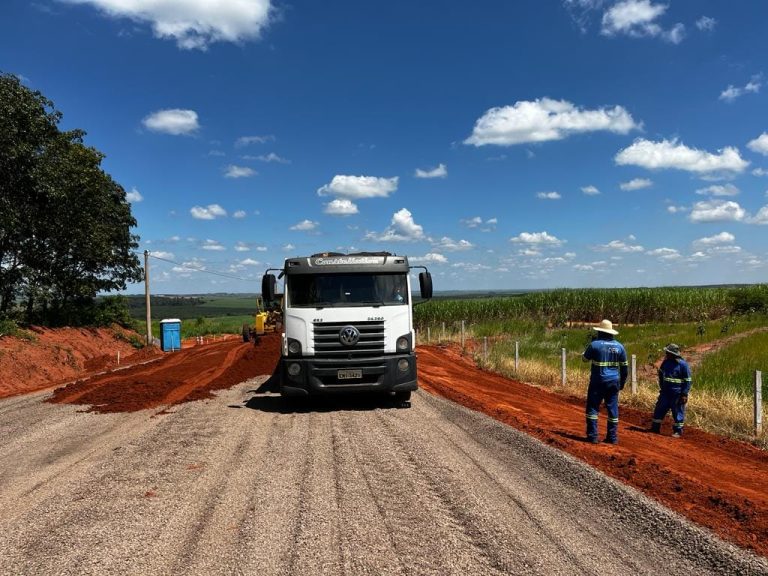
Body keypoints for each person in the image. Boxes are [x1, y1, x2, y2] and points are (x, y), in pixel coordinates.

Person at [582, 319, 628, 444]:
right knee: (612, 409)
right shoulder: (620, 347)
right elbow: (624, 368)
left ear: (600, 332)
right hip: (614, 381)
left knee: (593, 407)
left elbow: (584, 359)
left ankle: (593, 436)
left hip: (598, 381)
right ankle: (612, 437)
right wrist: (622, 383)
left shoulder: (595, 345)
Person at [651, 343, 692, 438]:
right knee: (659, 409)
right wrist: (662, 386)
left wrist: (684, 394)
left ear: (673, 353)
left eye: (668, 352)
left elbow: (687, 381)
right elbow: (661, 374)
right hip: (665, 392)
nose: (666, 354)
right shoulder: (666, 362)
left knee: (677, 412)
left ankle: (678, 431)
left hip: (677, 394)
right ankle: (655, 427)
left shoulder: (682, 365)